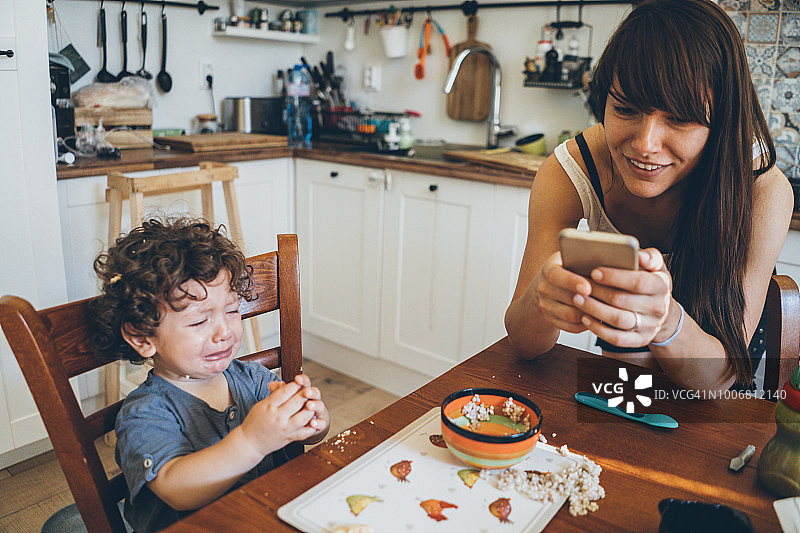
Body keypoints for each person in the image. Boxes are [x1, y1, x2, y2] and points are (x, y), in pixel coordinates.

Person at [504, 0, 793, 393]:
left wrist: (666, 321)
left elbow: (717, 382)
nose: (645, 144)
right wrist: (542, 295)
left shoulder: (761, 189)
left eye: (680, 118)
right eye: (625, 109)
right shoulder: (572, 171)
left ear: (721, 120)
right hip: (626, 374)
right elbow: (524, 344)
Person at [90, 218, 330, 532]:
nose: (225, 332)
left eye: (232, 311)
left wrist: (311, 420)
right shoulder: (145, 413)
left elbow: (308, 434)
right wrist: (252, 441)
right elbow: (175, 489)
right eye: (199, 321)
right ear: (142, 337)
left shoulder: (254, 379)